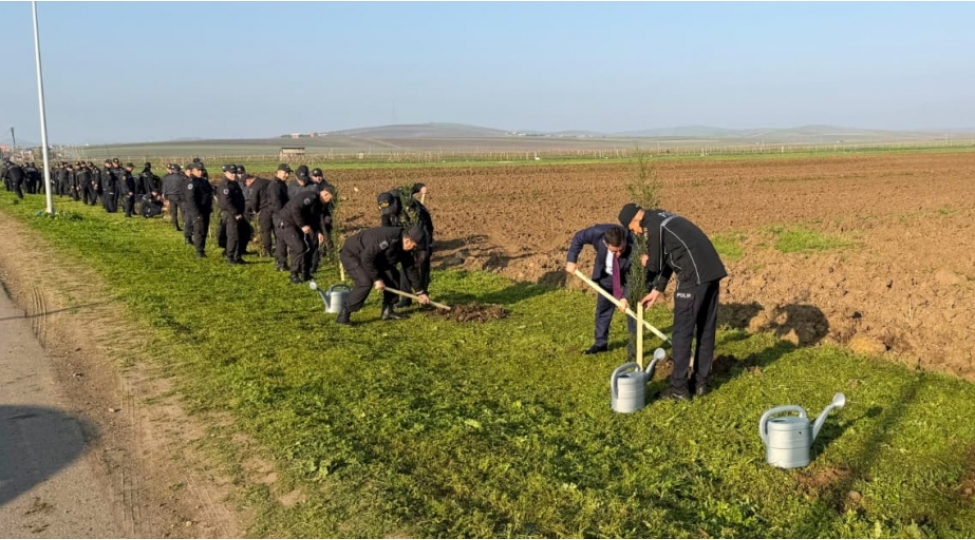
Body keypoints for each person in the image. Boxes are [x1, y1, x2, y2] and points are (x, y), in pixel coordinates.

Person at [619, 204, 727, 400]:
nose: (634, 232)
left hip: (693, 278)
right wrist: (657, 290)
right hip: (711, 273)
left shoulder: (653, 227)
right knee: (705, 328)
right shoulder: (662, 218)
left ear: (634, 220)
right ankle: (700, 383)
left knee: (682, 334)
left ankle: (679, 388)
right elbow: (670, 256)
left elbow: (655, 265)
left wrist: (646, 260)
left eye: (631, 228)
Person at [565, 224, 638, 357]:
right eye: (614, 251)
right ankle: (600, 344)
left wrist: (626, 297)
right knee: (603, 310)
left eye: (621, 249)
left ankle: (633, 351)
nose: (619, 254)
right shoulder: (598, 233)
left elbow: (635, 275)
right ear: (605, 243)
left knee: (632, 315)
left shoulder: (634, 245)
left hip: (627, 279)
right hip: (606, 278)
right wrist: (571, 260)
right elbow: (578, 237)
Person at [337, 225, 430, 325]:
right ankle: (344, 315)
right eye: (415, 246)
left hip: (373, 258)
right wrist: (377, 278)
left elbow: (410, 269)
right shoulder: (388, 238)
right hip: (353, 254)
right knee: (365, 282)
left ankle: (387, 312)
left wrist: (420, 292)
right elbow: (366, 257)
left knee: (393, 277)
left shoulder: (405, 250)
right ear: (408, 241)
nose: (414, 249)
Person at [275, 182, 334, 284]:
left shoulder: (319, 205)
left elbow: (314, 219)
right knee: (299, 248)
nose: (330, 201)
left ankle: (305, 273)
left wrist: (318, 232)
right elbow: (295, 208)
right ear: (325, 194)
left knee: (309, 248)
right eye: (330, 198)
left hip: (296, 224)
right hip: (286, 222)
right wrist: (302, 225)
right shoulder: (311, 197)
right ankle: (294, 274)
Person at [394, 183, 435, 309]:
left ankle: (423, 297)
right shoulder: (394, 206)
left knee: (422, 266)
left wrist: (421, 187)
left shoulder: (416, 210)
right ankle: (406, 298)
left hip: (423, 239)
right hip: (406, 238)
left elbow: (413, 186)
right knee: (405, 267)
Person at [216, 164, 247, 265]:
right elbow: (227, 202)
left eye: (235, 173)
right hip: (231, 215)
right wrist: (236, 213)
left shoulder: (234, 183)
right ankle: (230, 257)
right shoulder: (225, 185)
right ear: (226, 173)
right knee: (233, 236)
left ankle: (237, 257)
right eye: (231, 173)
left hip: (238, 213)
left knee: (239, 235)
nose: (234, 175)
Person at [181, 162, 213, 257]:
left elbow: (209, 192)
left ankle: (202, 248)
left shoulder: (203, 181)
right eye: (198, 170)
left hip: (205, 209)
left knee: (204, 229)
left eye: (201, 170)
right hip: (197, 211)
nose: (200, 172)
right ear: (193, 171)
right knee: (199, 230)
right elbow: (191, 199)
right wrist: (196, 213)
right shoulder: (190, 182)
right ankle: (199, 251)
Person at [161, 164, 184, 231]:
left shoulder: (166, 177)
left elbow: (164, 189)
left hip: (170, 196)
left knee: (173, 212)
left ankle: (176, 226)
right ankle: (186, 224)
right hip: (179, 196)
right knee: (183, 211)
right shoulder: (182, 177)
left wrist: (165, 198)